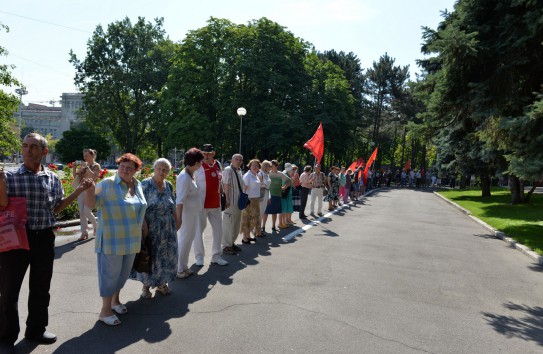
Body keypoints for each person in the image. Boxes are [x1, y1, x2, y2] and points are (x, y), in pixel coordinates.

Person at [0, 133, 93, 349]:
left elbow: (57, 207)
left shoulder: (52, 178)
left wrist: (78, 190)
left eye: (33, 146)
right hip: (16, 240)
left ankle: (36, 329)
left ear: (44, 152)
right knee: (9, 290)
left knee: (41, 288)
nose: (27, 149)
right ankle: (5, 338)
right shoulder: (9, 177)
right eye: (25, 145)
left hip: (44, 238)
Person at [86, 153, 147, 326]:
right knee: (110, 275)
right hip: (112, 240)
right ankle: (105, 311)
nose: (125, 170)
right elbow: (91, 204)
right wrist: (90, 189)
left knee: (123, 274)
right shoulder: (107, 184)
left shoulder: (138, 184)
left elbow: (140, 206)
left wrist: (143, 223)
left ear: (136, 171)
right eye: (122, 166)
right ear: (118, 167)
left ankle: (115, 301)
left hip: (131, 239)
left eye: (130, 168)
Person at [131, 158, 178, 299]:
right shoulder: (145, 184)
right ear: (154, 169)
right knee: (150, 256)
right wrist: (143, 224)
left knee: (166, 256)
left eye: (165, 170)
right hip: (151, 227)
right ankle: (146, 287)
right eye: (159, 169)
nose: (162, 172)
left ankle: (162, 284)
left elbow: (173, 205)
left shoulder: (168, 185)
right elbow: (139, 206)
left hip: (168, 229)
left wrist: (177, 221)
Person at [193, 144, 228, 267]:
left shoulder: (218, 164)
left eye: (209, 153)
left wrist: (225, 198)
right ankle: (199, 257)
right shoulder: (197, 165)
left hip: (215, 204)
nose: (207, 155)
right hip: (201, 205)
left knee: (218, 231)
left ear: (213, 153)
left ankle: (216, 256)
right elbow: (192, 183)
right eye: (204, 153)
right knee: (198, 232)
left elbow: (220, 183)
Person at [176, 148, 205, 278]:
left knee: (188, 240)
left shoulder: (189, 175)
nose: (202, 164)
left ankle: (184, 266)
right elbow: (180, 200)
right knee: (184, 240)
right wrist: (179, 218)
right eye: (201, 161)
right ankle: (178, 268)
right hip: (186, 215)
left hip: (192, 214)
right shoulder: (184, 177)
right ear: (197, 163)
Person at [72, 148, 101, 241]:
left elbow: (94, 177)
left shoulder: (96, 165)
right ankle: (84, 232)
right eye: (84, 156)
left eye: (86, 156)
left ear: (92, 156)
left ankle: (96, 225)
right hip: (81, 188)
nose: (84, 158)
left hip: (90, 189)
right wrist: (74, 168)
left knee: (86, 211)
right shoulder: (84, 165)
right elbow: (76, 177)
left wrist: (87, 168)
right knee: (81, 212)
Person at [222, 154, 245, 255]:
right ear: (231, 160)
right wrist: (227, 199)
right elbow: (225, 185)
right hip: (230, 202)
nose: (239, 161)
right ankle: (227, 245)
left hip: (238, 202)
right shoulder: (228, 170)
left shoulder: (239, 171)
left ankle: (231, 243)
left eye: (240, 160)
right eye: (236, 159)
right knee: (229, 224)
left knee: (236, 224)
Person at [263, 160, 290, 231]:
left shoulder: (280, 174)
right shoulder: (267, 174)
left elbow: (289, 181)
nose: (271, 168)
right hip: (268, 195)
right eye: (270, 166)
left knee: (274, 212)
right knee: (266, 211)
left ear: (276, 166)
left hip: (277, 195)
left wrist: (284, 187)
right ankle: (263, 227)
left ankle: (273, 226)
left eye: (273, 166)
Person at [241, 159, 262, 244]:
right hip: (249, 200)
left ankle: (248, 236)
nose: (255, 167)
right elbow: (244, 189)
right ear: (249, 166)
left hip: (256, 200)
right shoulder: (247, 175)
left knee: (253, 219)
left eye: (256, 165)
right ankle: (244, 237)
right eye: (253, 165)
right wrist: (245, 201)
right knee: (246, 219)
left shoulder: (256, 175)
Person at [258, 160, 272, 233]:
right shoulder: (261, 174)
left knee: (263, 211)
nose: (271, 167)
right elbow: (258, 185)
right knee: (260, 212)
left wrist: (269, 197)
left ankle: (258, 229)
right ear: (266, 166)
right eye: (270, 166)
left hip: (266, 194)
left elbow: (268, 187)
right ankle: (257, 229)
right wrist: (264, 186)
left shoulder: (267, 174)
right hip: (261, 194)